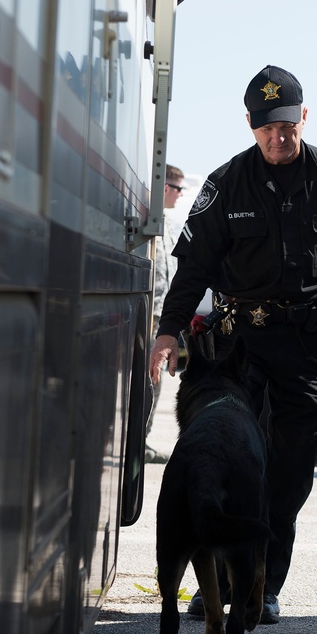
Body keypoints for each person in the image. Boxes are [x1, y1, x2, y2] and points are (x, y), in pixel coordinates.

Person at [149, 65, 317, 623]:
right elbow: (194, 269)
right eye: (265, 129)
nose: (277, 138)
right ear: (251, 126)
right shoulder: (226, 183)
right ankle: (218, 585)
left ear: (303, 117)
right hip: (238, 351)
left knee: (290, 468)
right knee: (227, 458)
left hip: (307, 349)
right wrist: (169, 330)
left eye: (286, 126)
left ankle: (263, 584)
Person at [145, 165, 187, 464]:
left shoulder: (167, 223)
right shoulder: (147, 219)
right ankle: (135, 440)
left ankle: (141, 439)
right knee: (147, 383)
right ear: (163, 188)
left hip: (161, 318)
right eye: (176, 188)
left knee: (153, 384)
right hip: (148, 317)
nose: (180, 194)